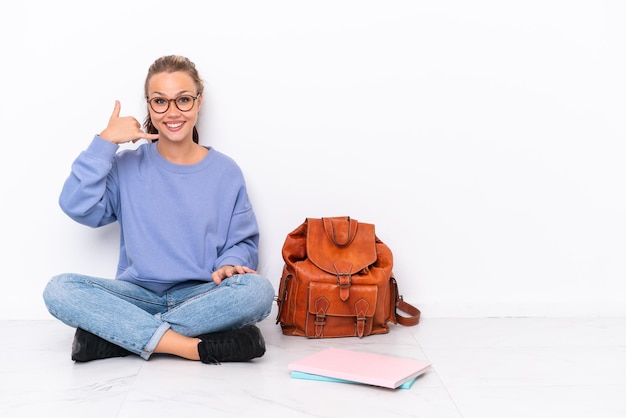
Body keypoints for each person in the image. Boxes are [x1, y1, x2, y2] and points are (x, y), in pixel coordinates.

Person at [43, 55, 275, 364]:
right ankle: (190, 346)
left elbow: (242, 241)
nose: (172, 112)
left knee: (257, 290)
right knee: (59, 289)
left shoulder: (225, 171)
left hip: (202, 297)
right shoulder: (126, 166)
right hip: (135, 298)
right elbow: (75, 205)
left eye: (183, 100)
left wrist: (231, 263)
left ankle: (118, 338)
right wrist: (105, 142)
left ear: (199, 101)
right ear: (149, 106)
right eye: (160, 102)